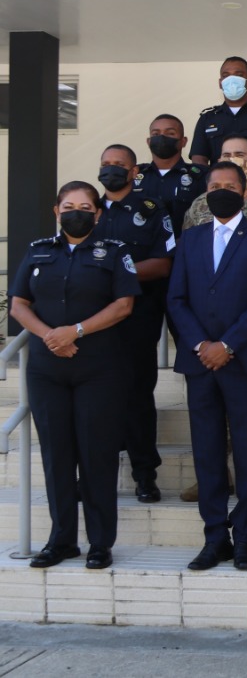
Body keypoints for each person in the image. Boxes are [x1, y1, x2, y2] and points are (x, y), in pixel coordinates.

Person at [9, 181, 140, 569]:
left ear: (97, 214)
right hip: (47, 369)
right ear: (56, 211)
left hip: (98, 368)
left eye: (84, 207)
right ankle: (61, 539)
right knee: (57, 456)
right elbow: (18, 305)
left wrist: (76, 331)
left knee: (97, 455)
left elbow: (124, 305)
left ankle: (100, 543)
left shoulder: (115, 251)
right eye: (68, 207)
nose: (75, 213)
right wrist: (51, 336)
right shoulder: (38, 250)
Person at [167, 161, 247, 572]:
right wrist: (202, 345)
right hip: (200, 363)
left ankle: (245, 537)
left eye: (230, 185)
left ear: (245, 192)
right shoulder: (192, 238)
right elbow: (176, 298)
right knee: (208, 452)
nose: (221, 191)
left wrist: (227, 344)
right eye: (214, 185)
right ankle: (214, 536)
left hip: (243, 360)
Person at [92, 144, 176, 503]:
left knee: (138, 397)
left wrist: (114, 275)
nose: (111, 169)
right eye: (106, 164)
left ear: (133, 171)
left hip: (138, 319)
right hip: (92, 321)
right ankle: (92, 476)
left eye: (119, 164)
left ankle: (144, 475)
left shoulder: (151, 209)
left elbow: (163, 263)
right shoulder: (87, 208)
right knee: (94, 401)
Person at [134, 113, 206, 234]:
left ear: (183, 141)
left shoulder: (201, 176)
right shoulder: (134, 175)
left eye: (170, 133)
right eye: (156, 134)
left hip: (184, 243)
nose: (162, 137)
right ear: (148, 141)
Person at [190, 56, 247, 166]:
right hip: (219, 176)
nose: (232, 80)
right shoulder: (208, 118)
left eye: (239, 75)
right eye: (226, 76)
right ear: (220, 83)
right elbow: (198, 158)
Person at [183, 134, 247, 231]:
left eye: (239, 155)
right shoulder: (200, 203)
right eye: (226, 155)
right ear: (220, 162)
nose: (232, 160)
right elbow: (190, 237)